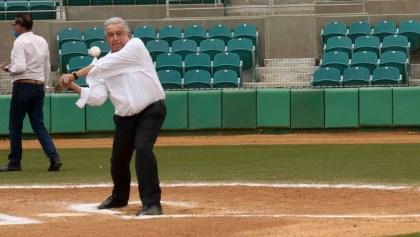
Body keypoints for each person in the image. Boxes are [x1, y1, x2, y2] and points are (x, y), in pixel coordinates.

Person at [59, 17, 166, 216]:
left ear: (128, 35)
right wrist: (72, 86)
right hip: (125, 117)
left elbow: (103, 65)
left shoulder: (136, 47)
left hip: (151, 110)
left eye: (119, 34)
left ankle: (152, 203)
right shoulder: (102, 66)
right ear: (106, 39)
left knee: (143, 150)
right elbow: (97, 98)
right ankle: (119, 197)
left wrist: (74, 75)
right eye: (110, 35)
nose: (115, 38)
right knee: (118, 160)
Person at [0, 14, 62, 172]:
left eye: (14, 24)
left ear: (20, 25)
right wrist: (44, 84)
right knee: (39, 126)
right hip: (38, 86)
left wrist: (7, 68)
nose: (14, 27)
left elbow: (20, 67)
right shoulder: (41, 40)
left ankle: (15, 162)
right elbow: (46, 66)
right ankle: (54, 157)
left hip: (23, 87)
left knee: (15, 126)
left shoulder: (20, 41)